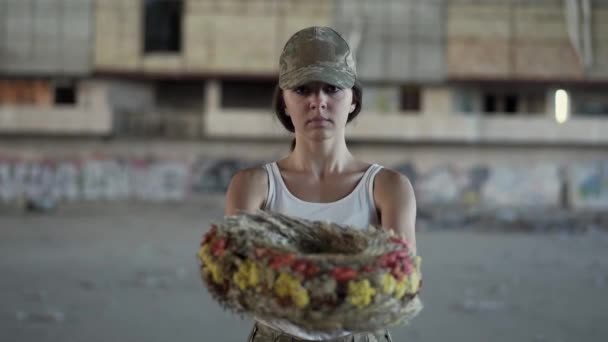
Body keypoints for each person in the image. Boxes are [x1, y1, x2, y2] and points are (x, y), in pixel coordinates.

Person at [224, 26, 417, 342]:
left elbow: (400, 284)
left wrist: (288, 276)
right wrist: (349, 277)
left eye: (332, 88)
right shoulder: (252, 186)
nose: (318, 101)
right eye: (302, 89)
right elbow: (239, 281)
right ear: (284, 102)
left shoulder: (388, 187)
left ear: (353, 99)